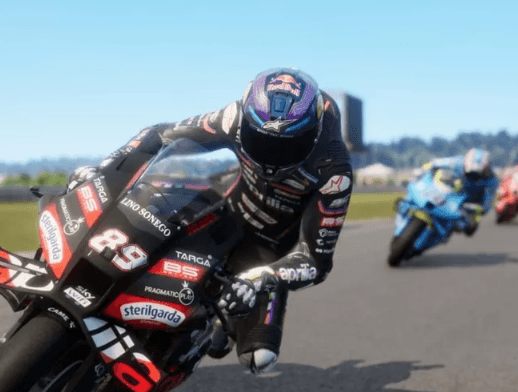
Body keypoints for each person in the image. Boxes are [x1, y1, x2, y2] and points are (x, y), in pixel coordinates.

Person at [67, 68, 354, 375]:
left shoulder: (334, 171)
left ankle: (202, 336)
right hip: (220, 211)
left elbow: (316, 262)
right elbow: (159, 134)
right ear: (245, 122)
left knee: (258, 357)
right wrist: (106, 171)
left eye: (288, 145)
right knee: (145, 216)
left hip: (266, 248)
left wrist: (261, 278)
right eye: (260, 140)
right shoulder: (232, 117)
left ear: (314, 132)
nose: (272, 157)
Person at [424, 148, 499, 236]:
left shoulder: (492, 180)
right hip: (450, 193)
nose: (473, 176)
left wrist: (479, 209)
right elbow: (435, 162)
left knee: (470, 227)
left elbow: (488, 202)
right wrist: (424, 169)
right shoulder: (458, 162)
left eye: (477, 174)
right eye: (470, 173)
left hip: (468, 205)